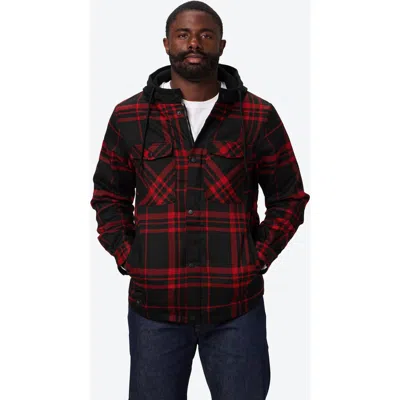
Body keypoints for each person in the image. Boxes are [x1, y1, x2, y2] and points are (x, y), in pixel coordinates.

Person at [90, 1, 310, 398]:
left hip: (236, 308)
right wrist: (128, 256)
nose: (194, 43)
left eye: (206, 35)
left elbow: (289, 198)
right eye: (184, 34)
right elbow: (109, 196)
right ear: (167, 44)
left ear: (221, 45)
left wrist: (257, 257)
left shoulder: (257, 115)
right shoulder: (129, 116)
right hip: (154, 308)